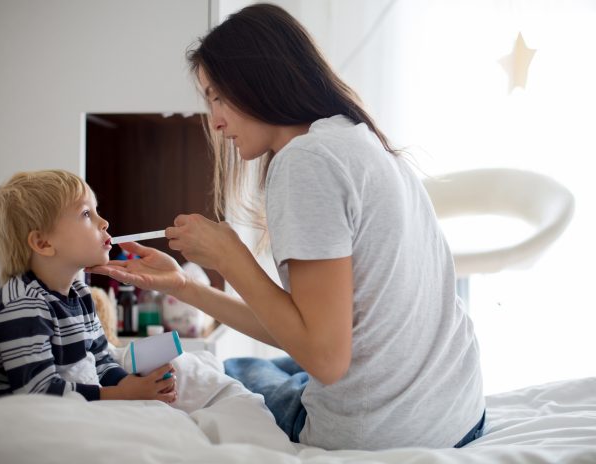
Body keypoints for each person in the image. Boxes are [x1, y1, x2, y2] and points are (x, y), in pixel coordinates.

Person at [88, 3, 484, 451]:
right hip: (458, 411)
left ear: (258, 79)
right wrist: (184, 286)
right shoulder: (356, 138)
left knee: (232, 371)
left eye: (218, 96)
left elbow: (325, 360)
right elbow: (308, 330)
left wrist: (229, 256)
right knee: (270, 366)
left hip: (383, 432)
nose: (215, 121)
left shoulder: (305, 162)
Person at [0, 169, 176, 403]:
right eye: (85, 213)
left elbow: (101, 360)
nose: (104, 222)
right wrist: (123, 394)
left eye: (96, 211)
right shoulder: (22, 306)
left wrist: (133, 386)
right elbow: (39, 394)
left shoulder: (80, 294)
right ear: (43, 242)